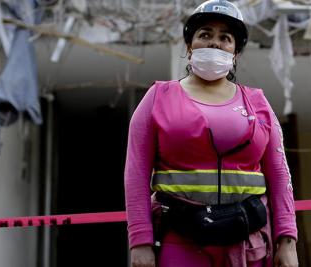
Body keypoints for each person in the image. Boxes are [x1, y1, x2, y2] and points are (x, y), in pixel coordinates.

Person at [124, 1, 298, 266]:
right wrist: (140, 241)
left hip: (246, 243)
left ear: (235, 52)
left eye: (225, 38)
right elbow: (135, 174)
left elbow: (279, 175)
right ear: (189, 45)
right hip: (179, 240)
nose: (214, 43)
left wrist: (287, 241)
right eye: (205, 34)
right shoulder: (158, 97)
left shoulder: (258, 103)